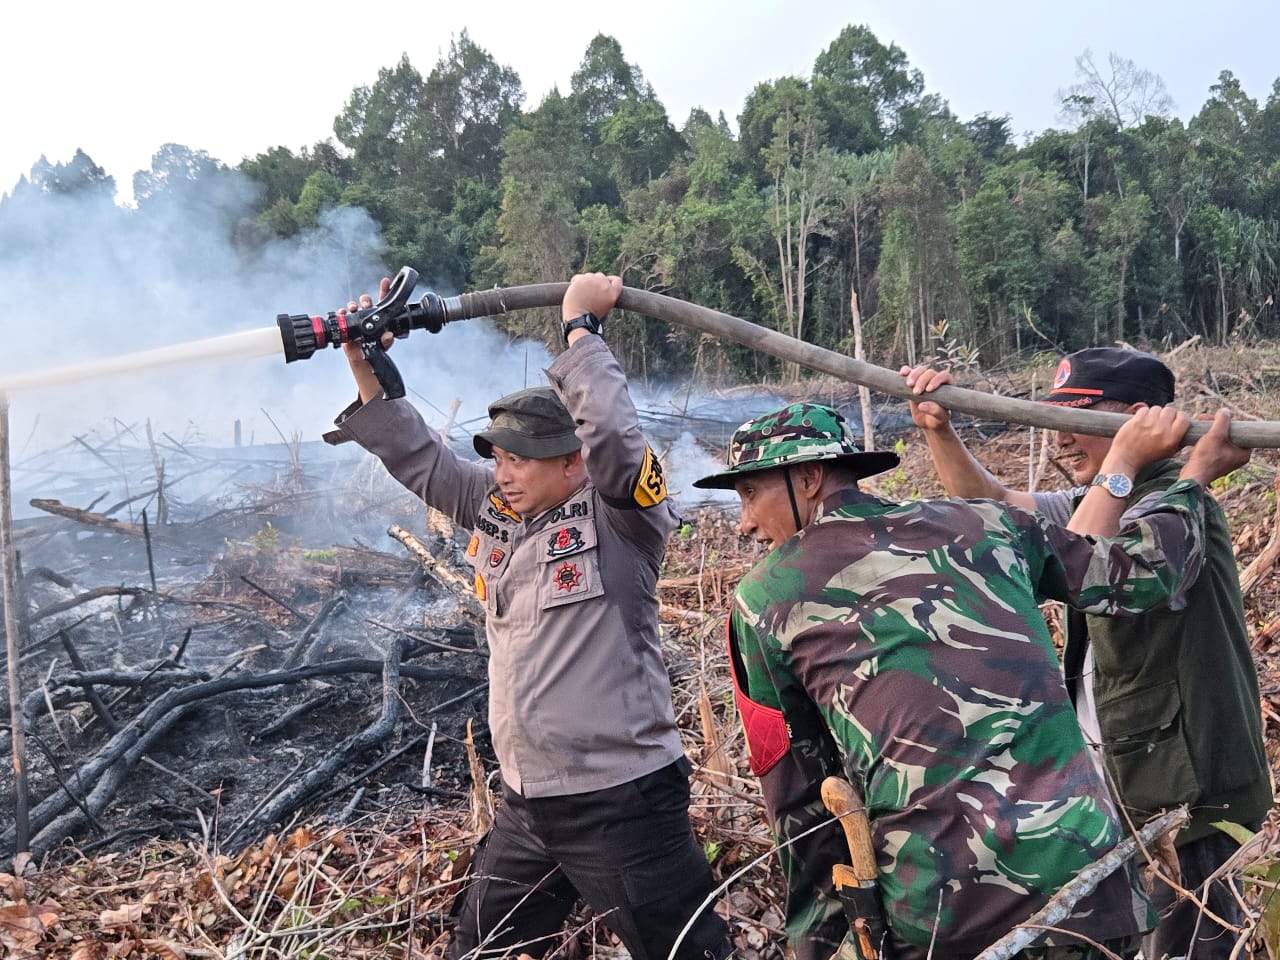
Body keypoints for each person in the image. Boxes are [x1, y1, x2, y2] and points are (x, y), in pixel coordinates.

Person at [693, 399, 1251, 960]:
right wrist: (1191, 481)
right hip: (1091, 886)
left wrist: (819, 945)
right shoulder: (983, 523)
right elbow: (1141, 573)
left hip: (945, 914)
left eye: (748, 494)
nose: (744, 523)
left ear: (808, 478)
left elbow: (797, 796)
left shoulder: (764, 601)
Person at [329, 272, 732, 960]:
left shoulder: (622, 519)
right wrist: (363, 363)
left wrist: (581, 329)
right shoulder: (497, 505)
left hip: (621, 800)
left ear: (576, 462)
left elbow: (615, 435)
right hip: (527, 799)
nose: (505, 472)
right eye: (501, 456)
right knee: (482, 947)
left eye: (523, 459)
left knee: (686, 952)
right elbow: (421, 459)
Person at [903, 348, 1272, 960]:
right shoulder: (1103, 496)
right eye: (1056, 420)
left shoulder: (1180, 507)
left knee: (1187, 945)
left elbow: (1095, 568)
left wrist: (1174, 471)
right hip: (1122, 781)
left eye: (1083, 419)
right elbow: (994, 504)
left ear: (1140, 418)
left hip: (1185, 791)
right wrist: (940, 431)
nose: (1061, 439)